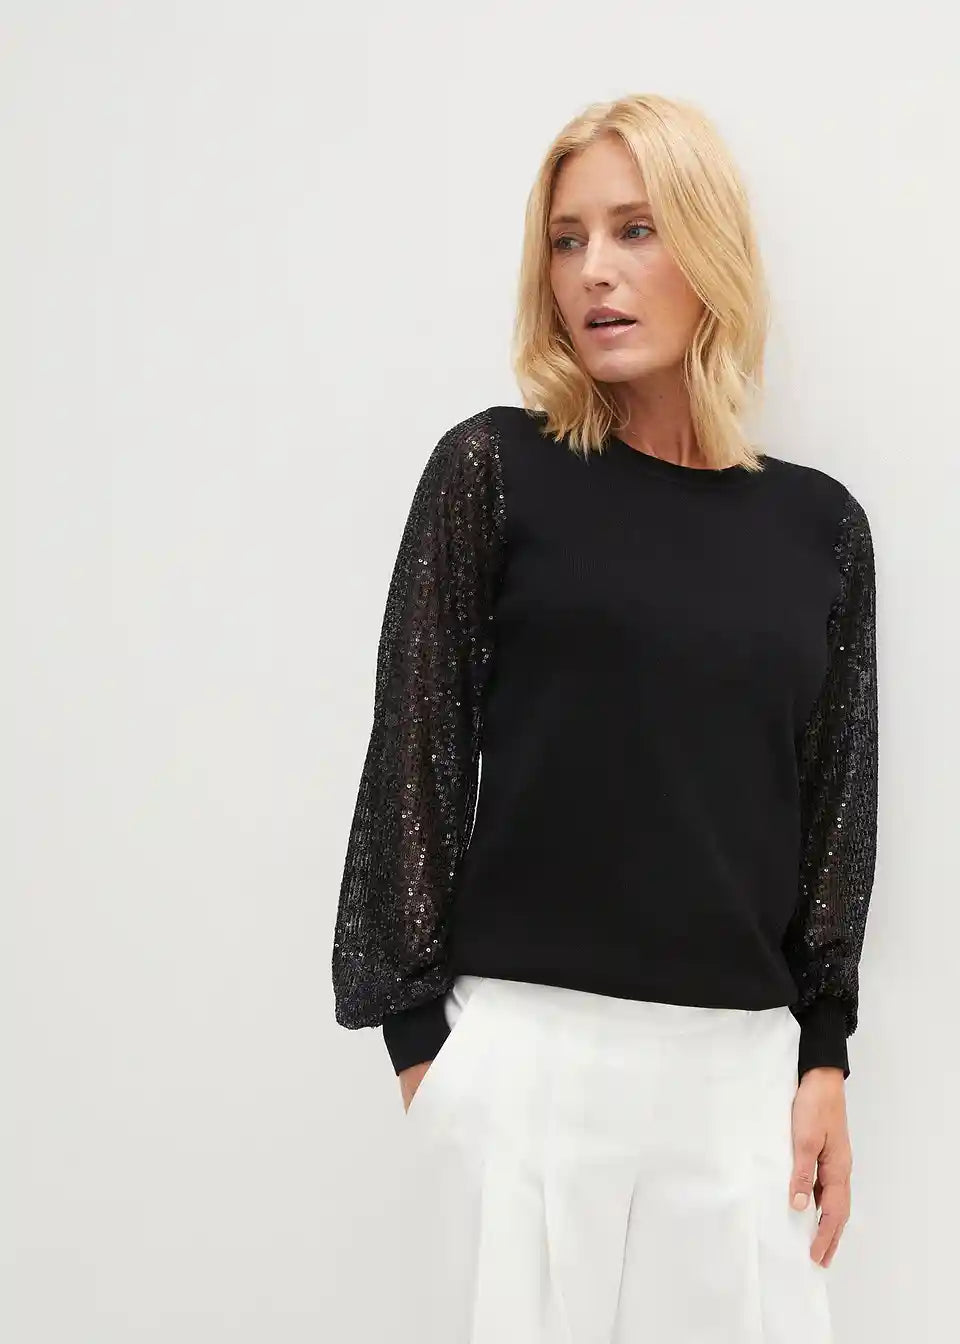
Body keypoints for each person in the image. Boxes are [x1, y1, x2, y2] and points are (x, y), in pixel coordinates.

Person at [331, 92, 878, 1343]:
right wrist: (428, 1054)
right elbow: (412, 759)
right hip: (527, 1067)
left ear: (710, 249)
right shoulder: (495, 470)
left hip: (742, 1083)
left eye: (636, 229)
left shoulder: (820, 529)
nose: (594, 272)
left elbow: (835, 813)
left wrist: (824, 1057)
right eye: (566, 240)